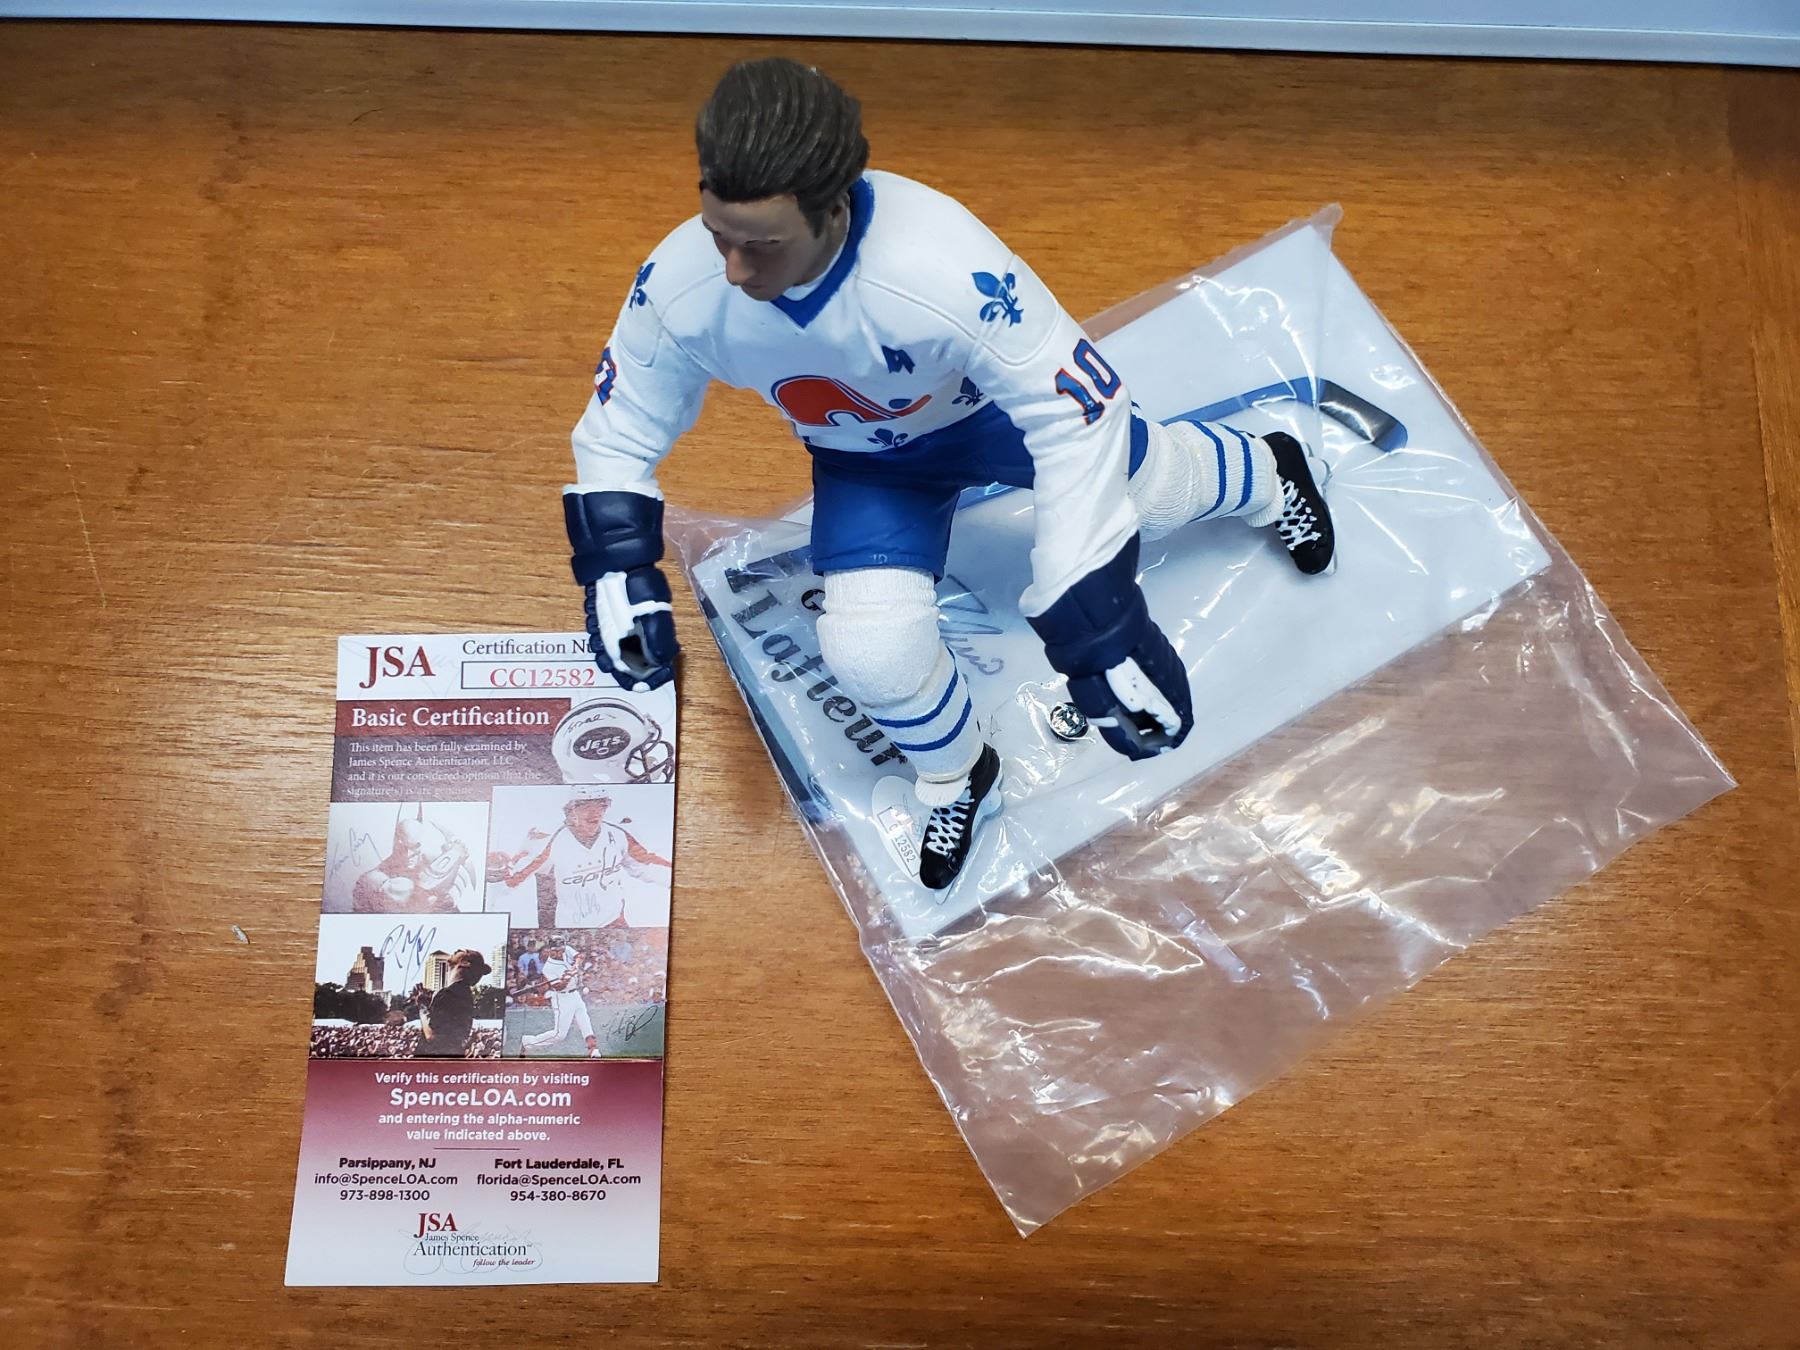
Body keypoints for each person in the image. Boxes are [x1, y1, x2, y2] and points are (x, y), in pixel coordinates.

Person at [561, 58, 1335, 891]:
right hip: (867, 466)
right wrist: (616, 565)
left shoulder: (938, 262)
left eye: (763, 245)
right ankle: (960, 774)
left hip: (989, 418)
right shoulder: (681, 285)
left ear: (833, 208)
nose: (735, 271)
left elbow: (1077, 412)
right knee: (872, 653)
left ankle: (1272, 472)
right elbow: (622, 422)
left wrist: (1096, 617)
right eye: (721, 236)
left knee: (1152, 488)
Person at [493, 787, 673, 927]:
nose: (596, 812)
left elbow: (644, 866)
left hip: (614, 921)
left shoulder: (619, 833)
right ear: (571, 811)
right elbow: (512, 879)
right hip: (568, 926)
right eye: (587, 806)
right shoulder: (548, 840)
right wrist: (495, 873)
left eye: (601, 805)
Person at [519, 940, 600, 1057]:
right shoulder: (548, 968)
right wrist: (566, 978)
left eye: (561, 949)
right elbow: (558, 987)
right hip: (562, 998)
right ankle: (527, 1042)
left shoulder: (566, 950)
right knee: (559, 1035)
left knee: (584, 1020)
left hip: (575, 994)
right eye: (556, 950)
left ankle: (592, 1048)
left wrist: (575, 967)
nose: (560, 952)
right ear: (550, 950)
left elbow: (579, 956)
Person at [416, 949, 491, 1058]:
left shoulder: (452, 993)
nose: (456, 950)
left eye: (462, 951)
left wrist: (422, 1007)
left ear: (465, 963)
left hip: (435, 1064)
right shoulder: (462, 993)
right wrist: (429, 1005)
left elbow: (433, 1036)